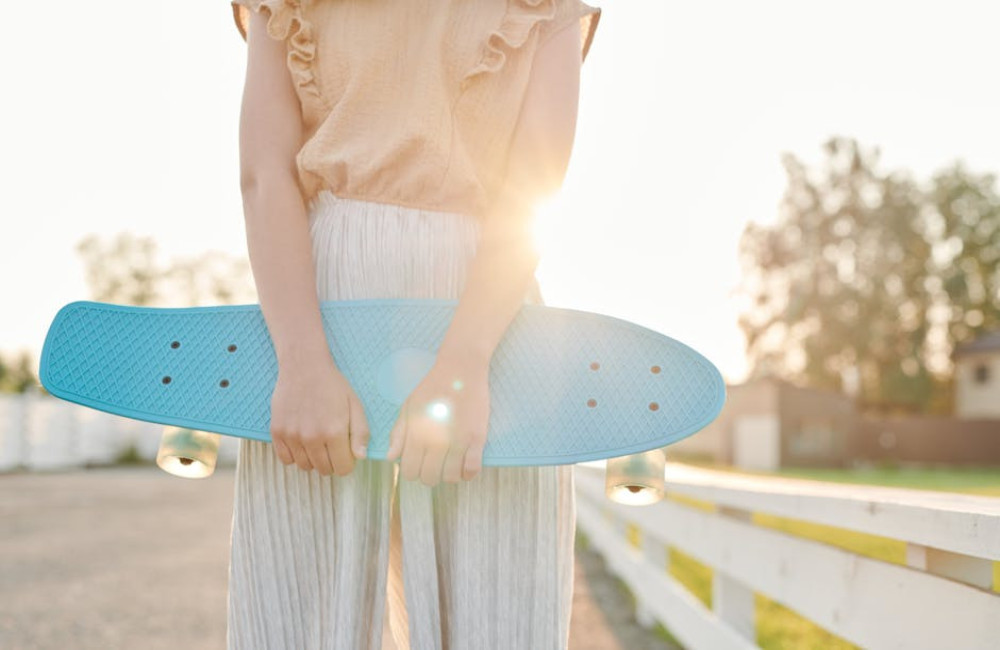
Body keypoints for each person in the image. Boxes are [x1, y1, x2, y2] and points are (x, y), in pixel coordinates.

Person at [226, 1, 601, 648]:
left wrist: (465, 364)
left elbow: (536, 184)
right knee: (302, 615)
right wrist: (303, 362)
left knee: (497, 620)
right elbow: (266, 176)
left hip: (488, 314)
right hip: (319, 307)